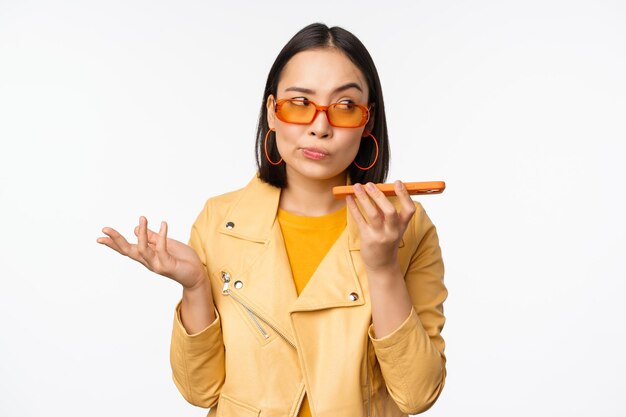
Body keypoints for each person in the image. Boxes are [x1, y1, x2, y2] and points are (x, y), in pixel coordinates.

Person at [97, 22, 448, 417]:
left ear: (367, 121)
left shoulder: (407, 225)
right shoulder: (220, 220)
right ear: (272, 114)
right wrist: (196, 286)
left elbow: (416, 394)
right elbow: (200, 391)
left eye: (345, 107)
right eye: (299, 103)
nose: (320, 126)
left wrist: (383, 268)